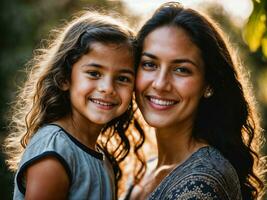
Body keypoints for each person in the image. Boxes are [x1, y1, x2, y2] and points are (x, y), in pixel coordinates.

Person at [127, 2, 265, 200]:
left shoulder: (201, 183)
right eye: (149, 64)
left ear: (208, 84)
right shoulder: (144, 168)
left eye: (181, 69)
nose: (160, 84)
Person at [4, 11, 145, 200]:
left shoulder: (101, 157)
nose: (108, 88)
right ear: (64, 79)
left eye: (122, 78)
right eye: (94, 73)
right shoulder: (54, 152)